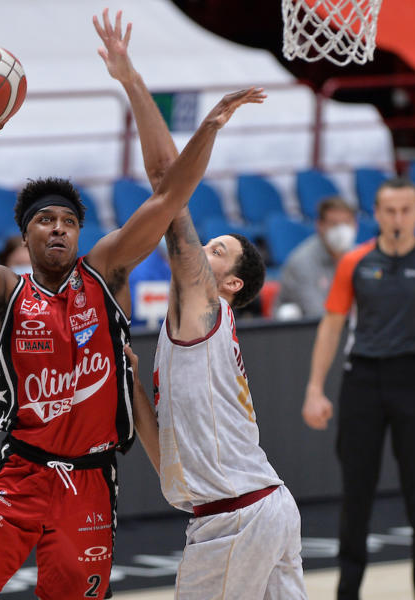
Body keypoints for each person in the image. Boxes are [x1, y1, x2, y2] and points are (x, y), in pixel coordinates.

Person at [0, 9, 264, 599]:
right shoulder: (7, 291)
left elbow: (168, 198)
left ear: (80, 233)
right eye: (45, 221)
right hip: (23, 471)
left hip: (89, 481)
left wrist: (207, 128)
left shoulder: (105, 272)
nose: (58, 227)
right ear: (25, 236)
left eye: (67, 220)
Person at [97, 10, 307, 599]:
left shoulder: (205, 308)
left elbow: (167, 184)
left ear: (231, 284)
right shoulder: (189, 333)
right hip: (258, 507)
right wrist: (131, 384)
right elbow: (169, 457)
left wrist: (137, 84)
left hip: (237, 517)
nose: (199, 249)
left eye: (216, 251)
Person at [301, 177, 415, 600]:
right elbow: (331, 326)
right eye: (390, 211)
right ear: (377, 214)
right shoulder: (355, 262)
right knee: (356, 496)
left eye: (405, 210)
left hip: (414, 379)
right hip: (361, 380)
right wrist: (314, 388)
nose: (398, 218)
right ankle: (347, 592)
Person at [276, 196, 357, 319]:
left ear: (355, 225)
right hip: (301, 326)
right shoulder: (302, 262)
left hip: (347, 323)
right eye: (334, 224)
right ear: (320, 225)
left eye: (346, 223)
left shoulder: (359, 255)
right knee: (289, 312)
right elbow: (316, 312)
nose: (342, 230)